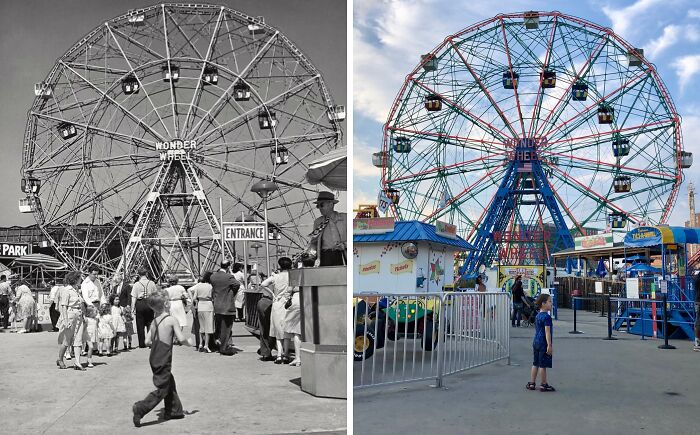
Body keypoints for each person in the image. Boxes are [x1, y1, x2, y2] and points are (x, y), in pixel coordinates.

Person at [132, 289, 190, 427]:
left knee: (169, 381)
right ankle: (141, 408)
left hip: (154, 356)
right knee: (162, 388)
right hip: (164, 357)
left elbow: (147, 342)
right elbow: (181, 338)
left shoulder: (154, 322)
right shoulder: (171, 320)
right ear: (166, 304)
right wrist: (189, 342)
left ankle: (174, 410)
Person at [261, 257, 295, 364]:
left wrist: (272, 294)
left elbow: (263, 284)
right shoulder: (292, 276)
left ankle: (279, 355)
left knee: (277, 330)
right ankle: (286, 354)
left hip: (277, 303)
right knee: (286, 330)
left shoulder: (275, 276)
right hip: (288, 303)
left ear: (280, 265)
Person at [56, 271, 88, 371]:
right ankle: (60, 359)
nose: (81, 280)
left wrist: (84, 315)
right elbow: (64, 306)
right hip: (70, 315)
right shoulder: (67, 290)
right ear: (75, 279)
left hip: (79, 315)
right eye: (80, 278)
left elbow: (81, 304)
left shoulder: (77, 290)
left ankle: (77, 362)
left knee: (78, 339)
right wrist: (65, 320)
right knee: (67, 341)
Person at [308, 191, 347, 267]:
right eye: (318, 206)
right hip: (325, 256)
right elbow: (314, 243)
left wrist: (345, 245)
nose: (320, 208)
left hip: (341, 254)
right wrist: (310, 255)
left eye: (322, 205)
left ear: (331, 204)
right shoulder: (318, 222)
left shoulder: (345, 218)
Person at [527, 293, 555, 392]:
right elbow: (547, 332)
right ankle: (543, 384)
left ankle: (532, 383)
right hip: (543, 343)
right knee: (543, 365)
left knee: (535, 363)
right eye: (550, 302)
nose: (551, 304)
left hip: (536, 341)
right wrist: (549, 345)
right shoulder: (547, 317)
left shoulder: (538, 315)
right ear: (543, 303)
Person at [210, 261, 239, 355]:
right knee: (226, 328)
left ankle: (216, 344)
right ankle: (224, 348)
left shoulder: (213, 276)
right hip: (227, 305)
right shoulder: (229, 276)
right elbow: (237, 285)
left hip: (217, 305)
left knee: (218, 326)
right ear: (228, 267)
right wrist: (231, 293)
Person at [131, 268, 159, 348]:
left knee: (140, 324)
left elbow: (134, 297)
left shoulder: (136, 284)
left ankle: (142, 343)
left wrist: (132, 308)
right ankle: (150, 341)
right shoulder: (152, 283)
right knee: (150, 322)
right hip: (149, 303)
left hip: (140, 303)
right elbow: (155, 295)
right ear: (146, 274)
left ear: (139, 274)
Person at [191, 271, 214, 352]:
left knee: (202, 326)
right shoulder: (211, 286)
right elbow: (213, 297)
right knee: (209, 326)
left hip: (200, 305)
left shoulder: (198, 286)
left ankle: (200, 343)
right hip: (208, 305)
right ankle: (206, 345)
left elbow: (194, 298)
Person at [256, 276, 275, 362]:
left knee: (263, 327)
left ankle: (265, 351)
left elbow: (261, 287)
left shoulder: (273, 278)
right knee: (274, 328)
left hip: (263, 300)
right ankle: (268, 350)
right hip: (272, 302)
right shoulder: (286, 277)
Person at [284, 283, 302, 366]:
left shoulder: (296, 275)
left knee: (296, 331)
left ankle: (297, 358)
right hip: (309, 298)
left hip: (296, 301)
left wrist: (287, 299)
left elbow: (288, 290)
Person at [693, 271, 700, 351]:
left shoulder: (696, 278)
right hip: (699, 301)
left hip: (697, 301)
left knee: (698, 321)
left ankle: (697, 342)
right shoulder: (698, 278)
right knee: (698, 322)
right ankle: (697, 344)